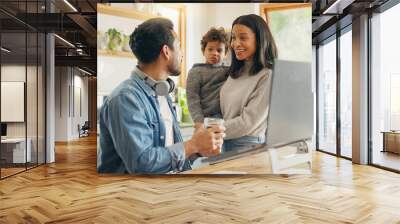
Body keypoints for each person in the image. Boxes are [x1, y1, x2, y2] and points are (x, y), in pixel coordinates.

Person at [98, 18, 225, 174]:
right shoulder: (125, 99)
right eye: (179, 46)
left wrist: (199, 149)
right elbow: (141, 164)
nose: (182, 53)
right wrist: (193, 145)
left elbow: (168, 154)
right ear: (166, 51)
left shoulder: (161, 92)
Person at [220, 14, 278, 152]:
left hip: (247, 145)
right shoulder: (236, 72)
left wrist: (212, 129)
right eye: (233, 38)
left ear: (259, 40)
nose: (236, 43)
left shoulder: (267, 74)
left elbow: (248, 122)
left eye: (243, 38)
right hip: (225, 141)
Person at [186, 27, 229, 129]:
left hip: (226, 122)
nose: (214, 53)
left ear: (225, 54)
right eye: (210, 49)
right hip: (205, 122)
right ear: (203, 51)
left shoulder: (229, 71)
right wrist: (199, 123)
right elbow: (192, 99)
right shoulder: (195, 72)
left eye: (219, 50)